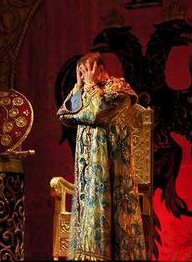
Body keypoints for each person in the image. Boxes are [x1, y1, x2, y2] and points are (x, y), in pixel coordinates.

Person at [57, 53, 146, 260]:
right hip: (87, 172)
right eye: (80, 73)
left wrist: (88, 88)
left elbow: (95, 113)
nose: (83, 77)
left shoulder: (119, 89)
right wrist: (79, 87)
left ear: (98, 69)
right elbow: (64, 115)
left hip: (112, 172)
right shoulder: (87, 91)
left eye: (85, 71)